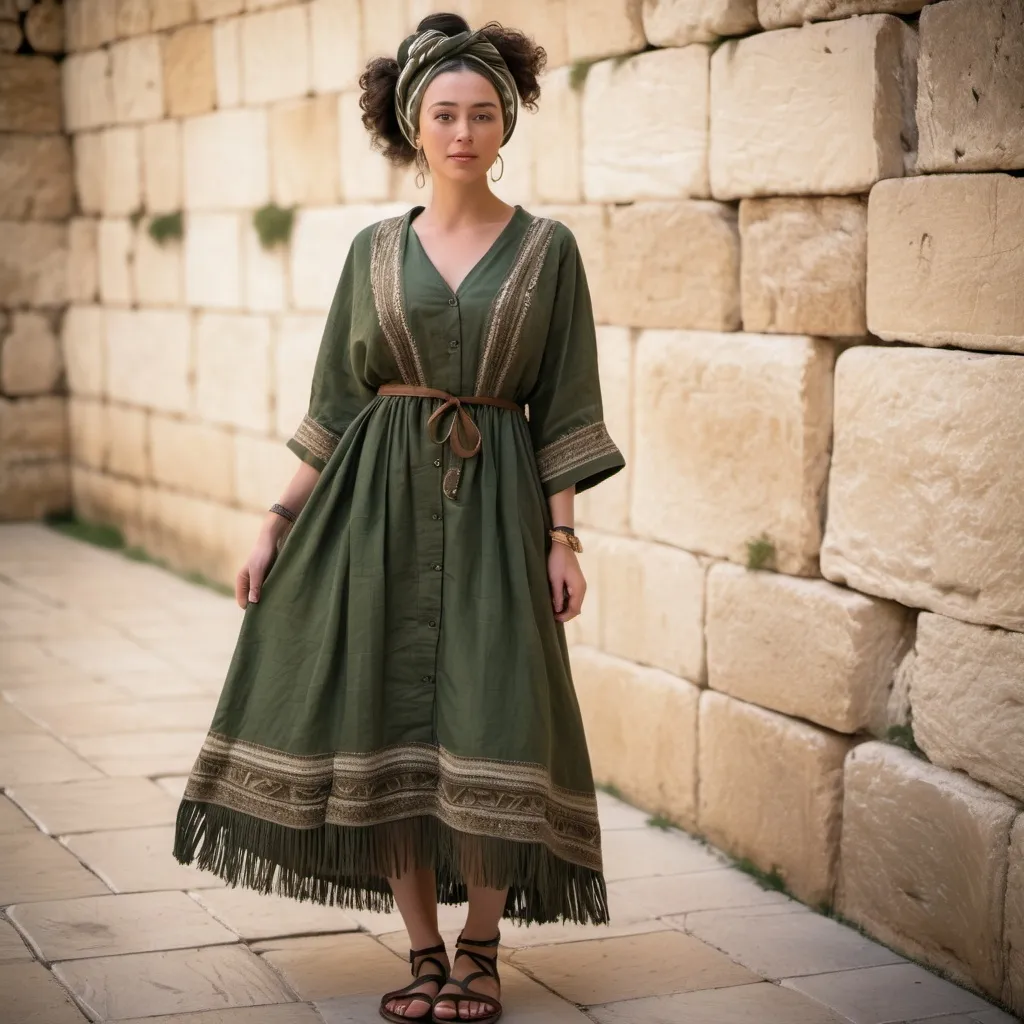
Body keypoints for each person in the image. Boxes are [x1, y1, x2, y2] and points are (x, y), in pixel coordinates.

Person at [173, 11, 624, 1023]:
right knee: (379, 716)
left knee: (501, 710)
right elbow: (336, 398)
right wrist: (274, 521)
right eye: (443, 114)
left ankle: (481, 948)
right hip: (371, 505)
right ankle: (422, 949)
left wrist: (564, 537)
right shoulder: (374, 251)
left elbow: (566, 403)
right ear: (412, 128)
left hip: (499, 504)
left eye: (480, 114)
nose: (462, 132)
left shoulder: (548, 251)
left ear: (505, 123)